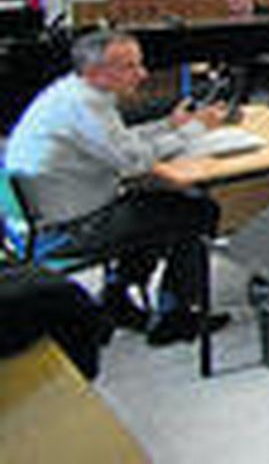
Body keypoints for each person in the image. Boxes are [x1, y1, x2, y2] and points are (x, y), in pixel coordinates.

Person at [4, 31, 229, 345]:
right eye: (129, 66)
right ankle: (176, 317)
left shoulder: (74, 94)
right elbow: (133, 162)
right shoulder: (85, 106)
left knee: (158, 204)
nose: (142, 74)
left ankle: (117, 298)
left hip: (42, 221)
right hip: (65, 231)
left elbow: (121, 140)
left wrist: (170, 126)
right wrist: (194, 129)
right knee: (196, 211)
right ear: (96, 72)